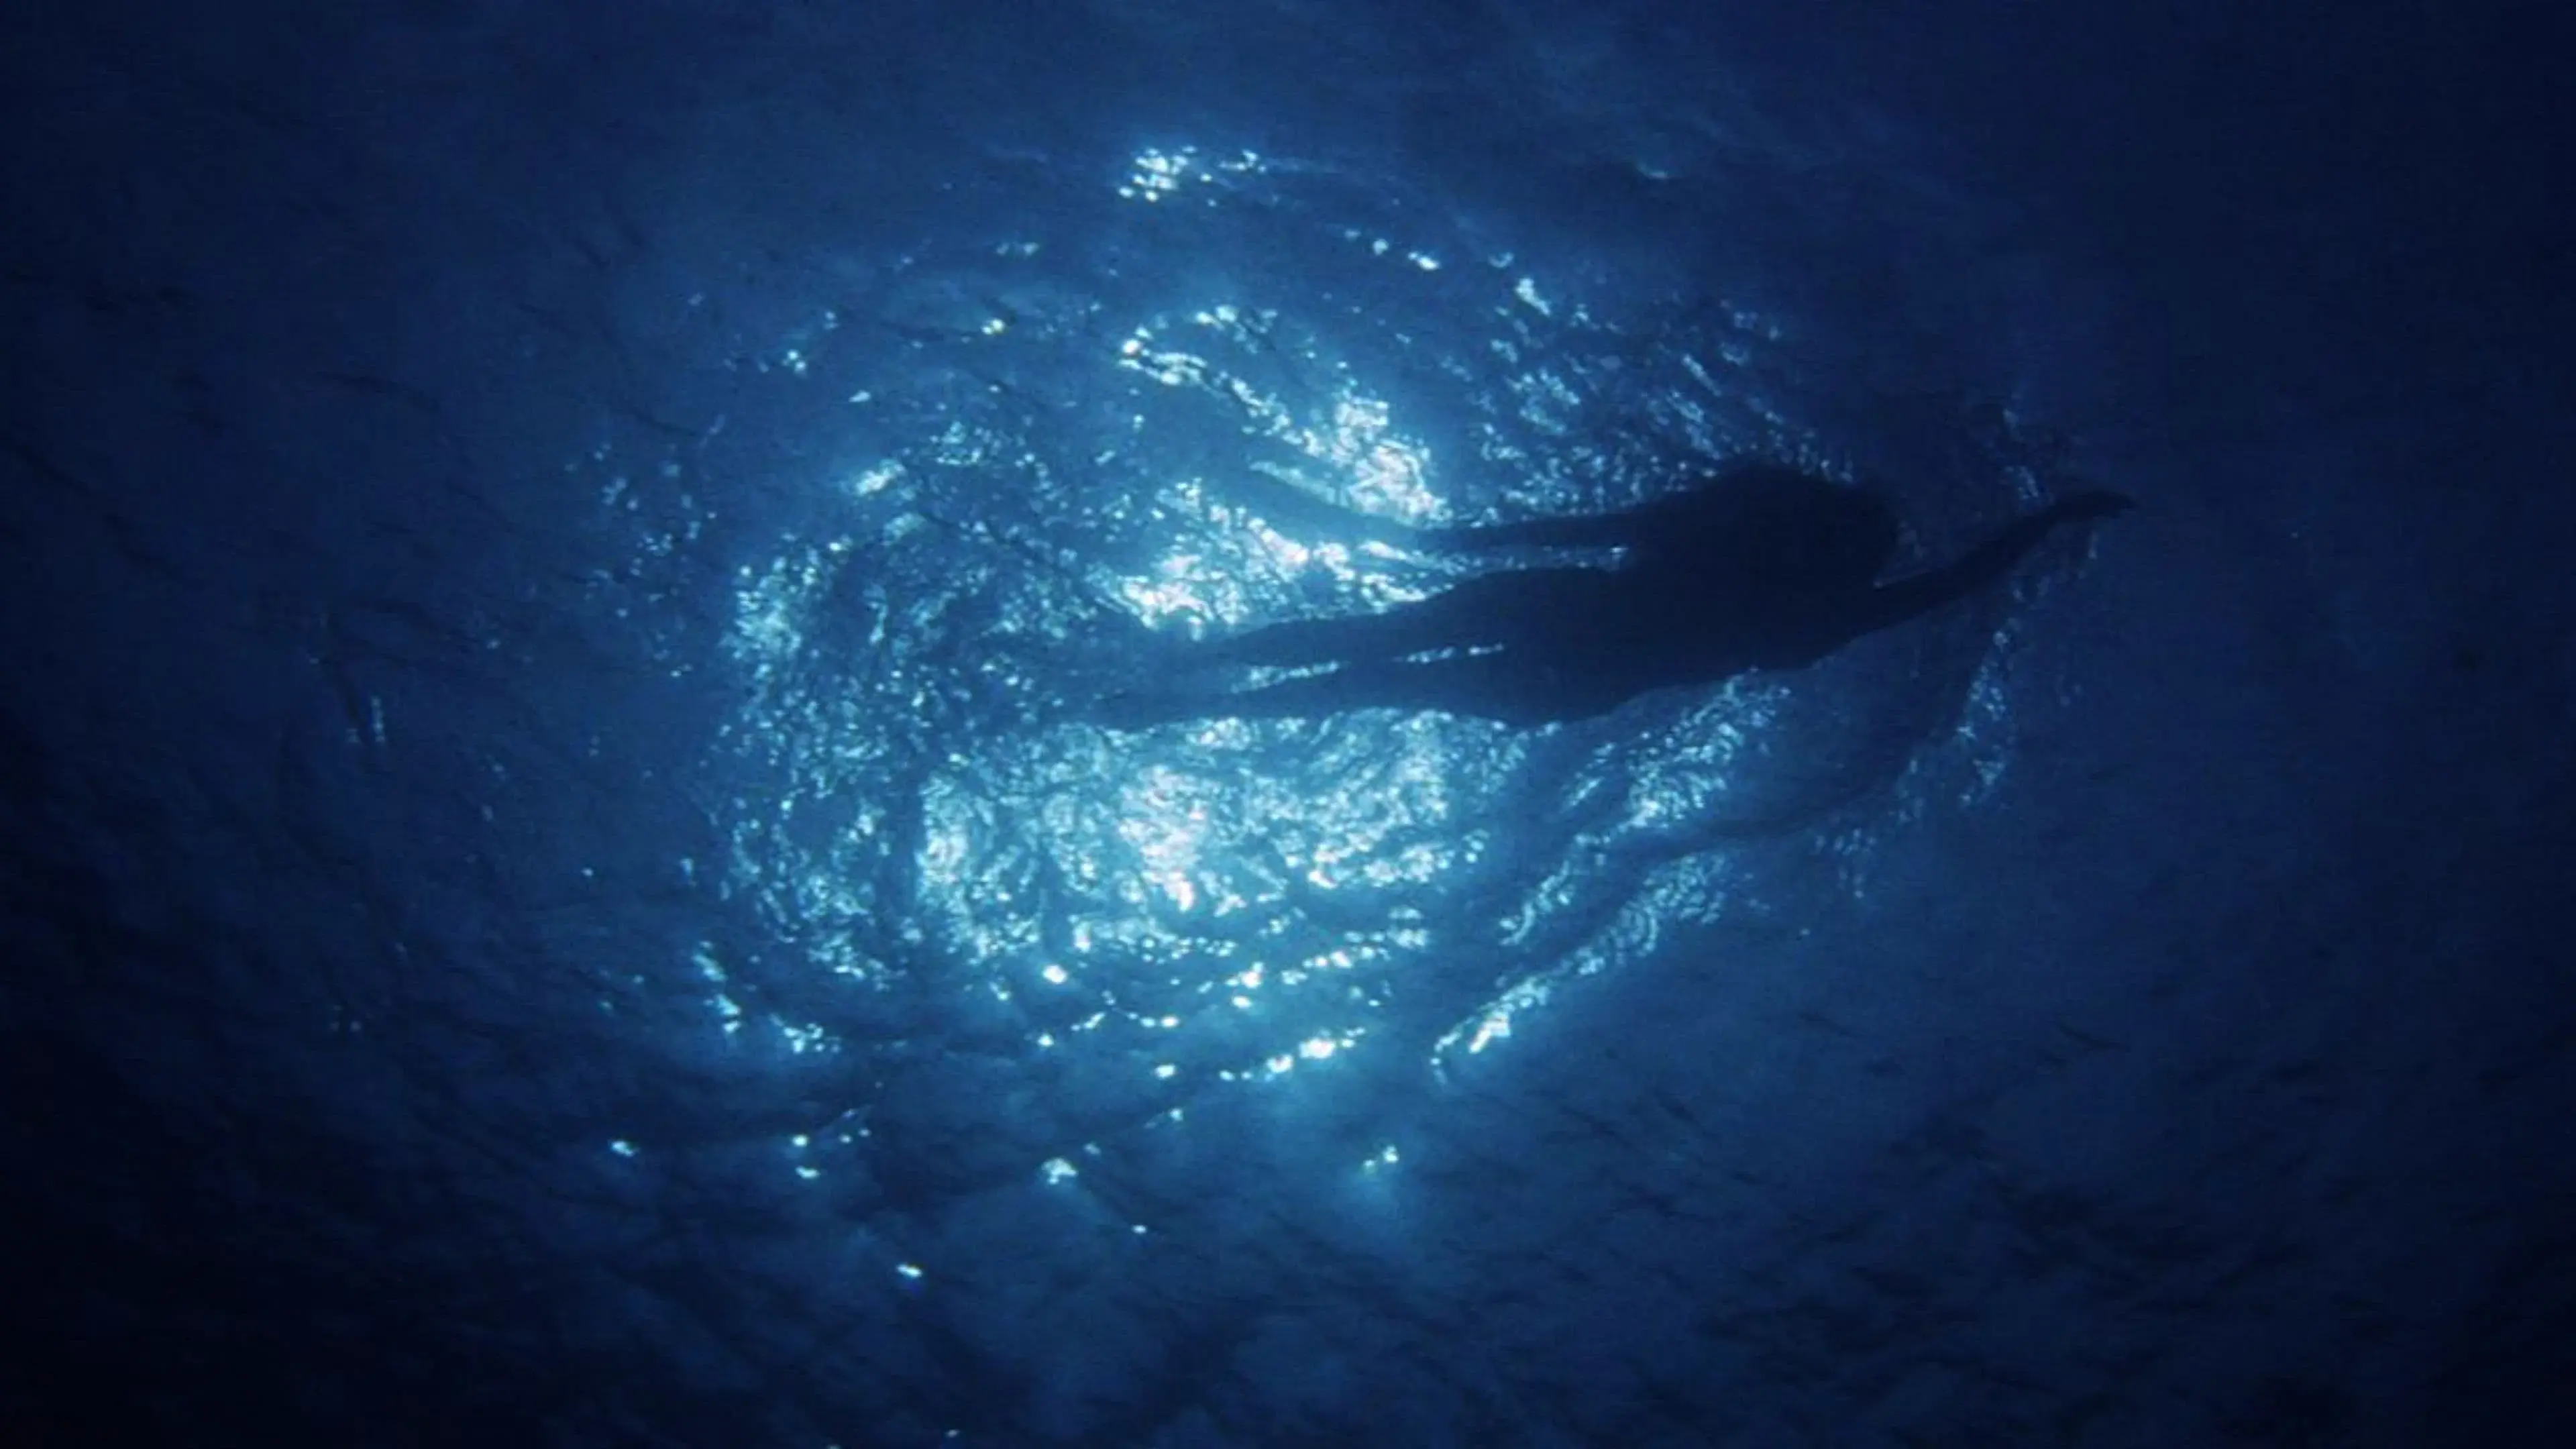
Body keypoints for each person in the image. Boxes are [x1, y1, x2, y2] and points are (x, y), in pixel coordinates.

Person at [1092, 461, 2133, 728]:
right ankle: (1190, 696)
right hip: (1580, 669)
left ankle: (1192, 677)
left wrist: (1444, 540)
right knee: (1380, 678)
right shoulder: (1817, 605)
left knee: (1375, 648)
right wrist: (2049, 519)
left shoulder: (1736, 530)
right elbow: (1960, 580)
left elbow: (1584, 530)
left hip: (1566, 620)